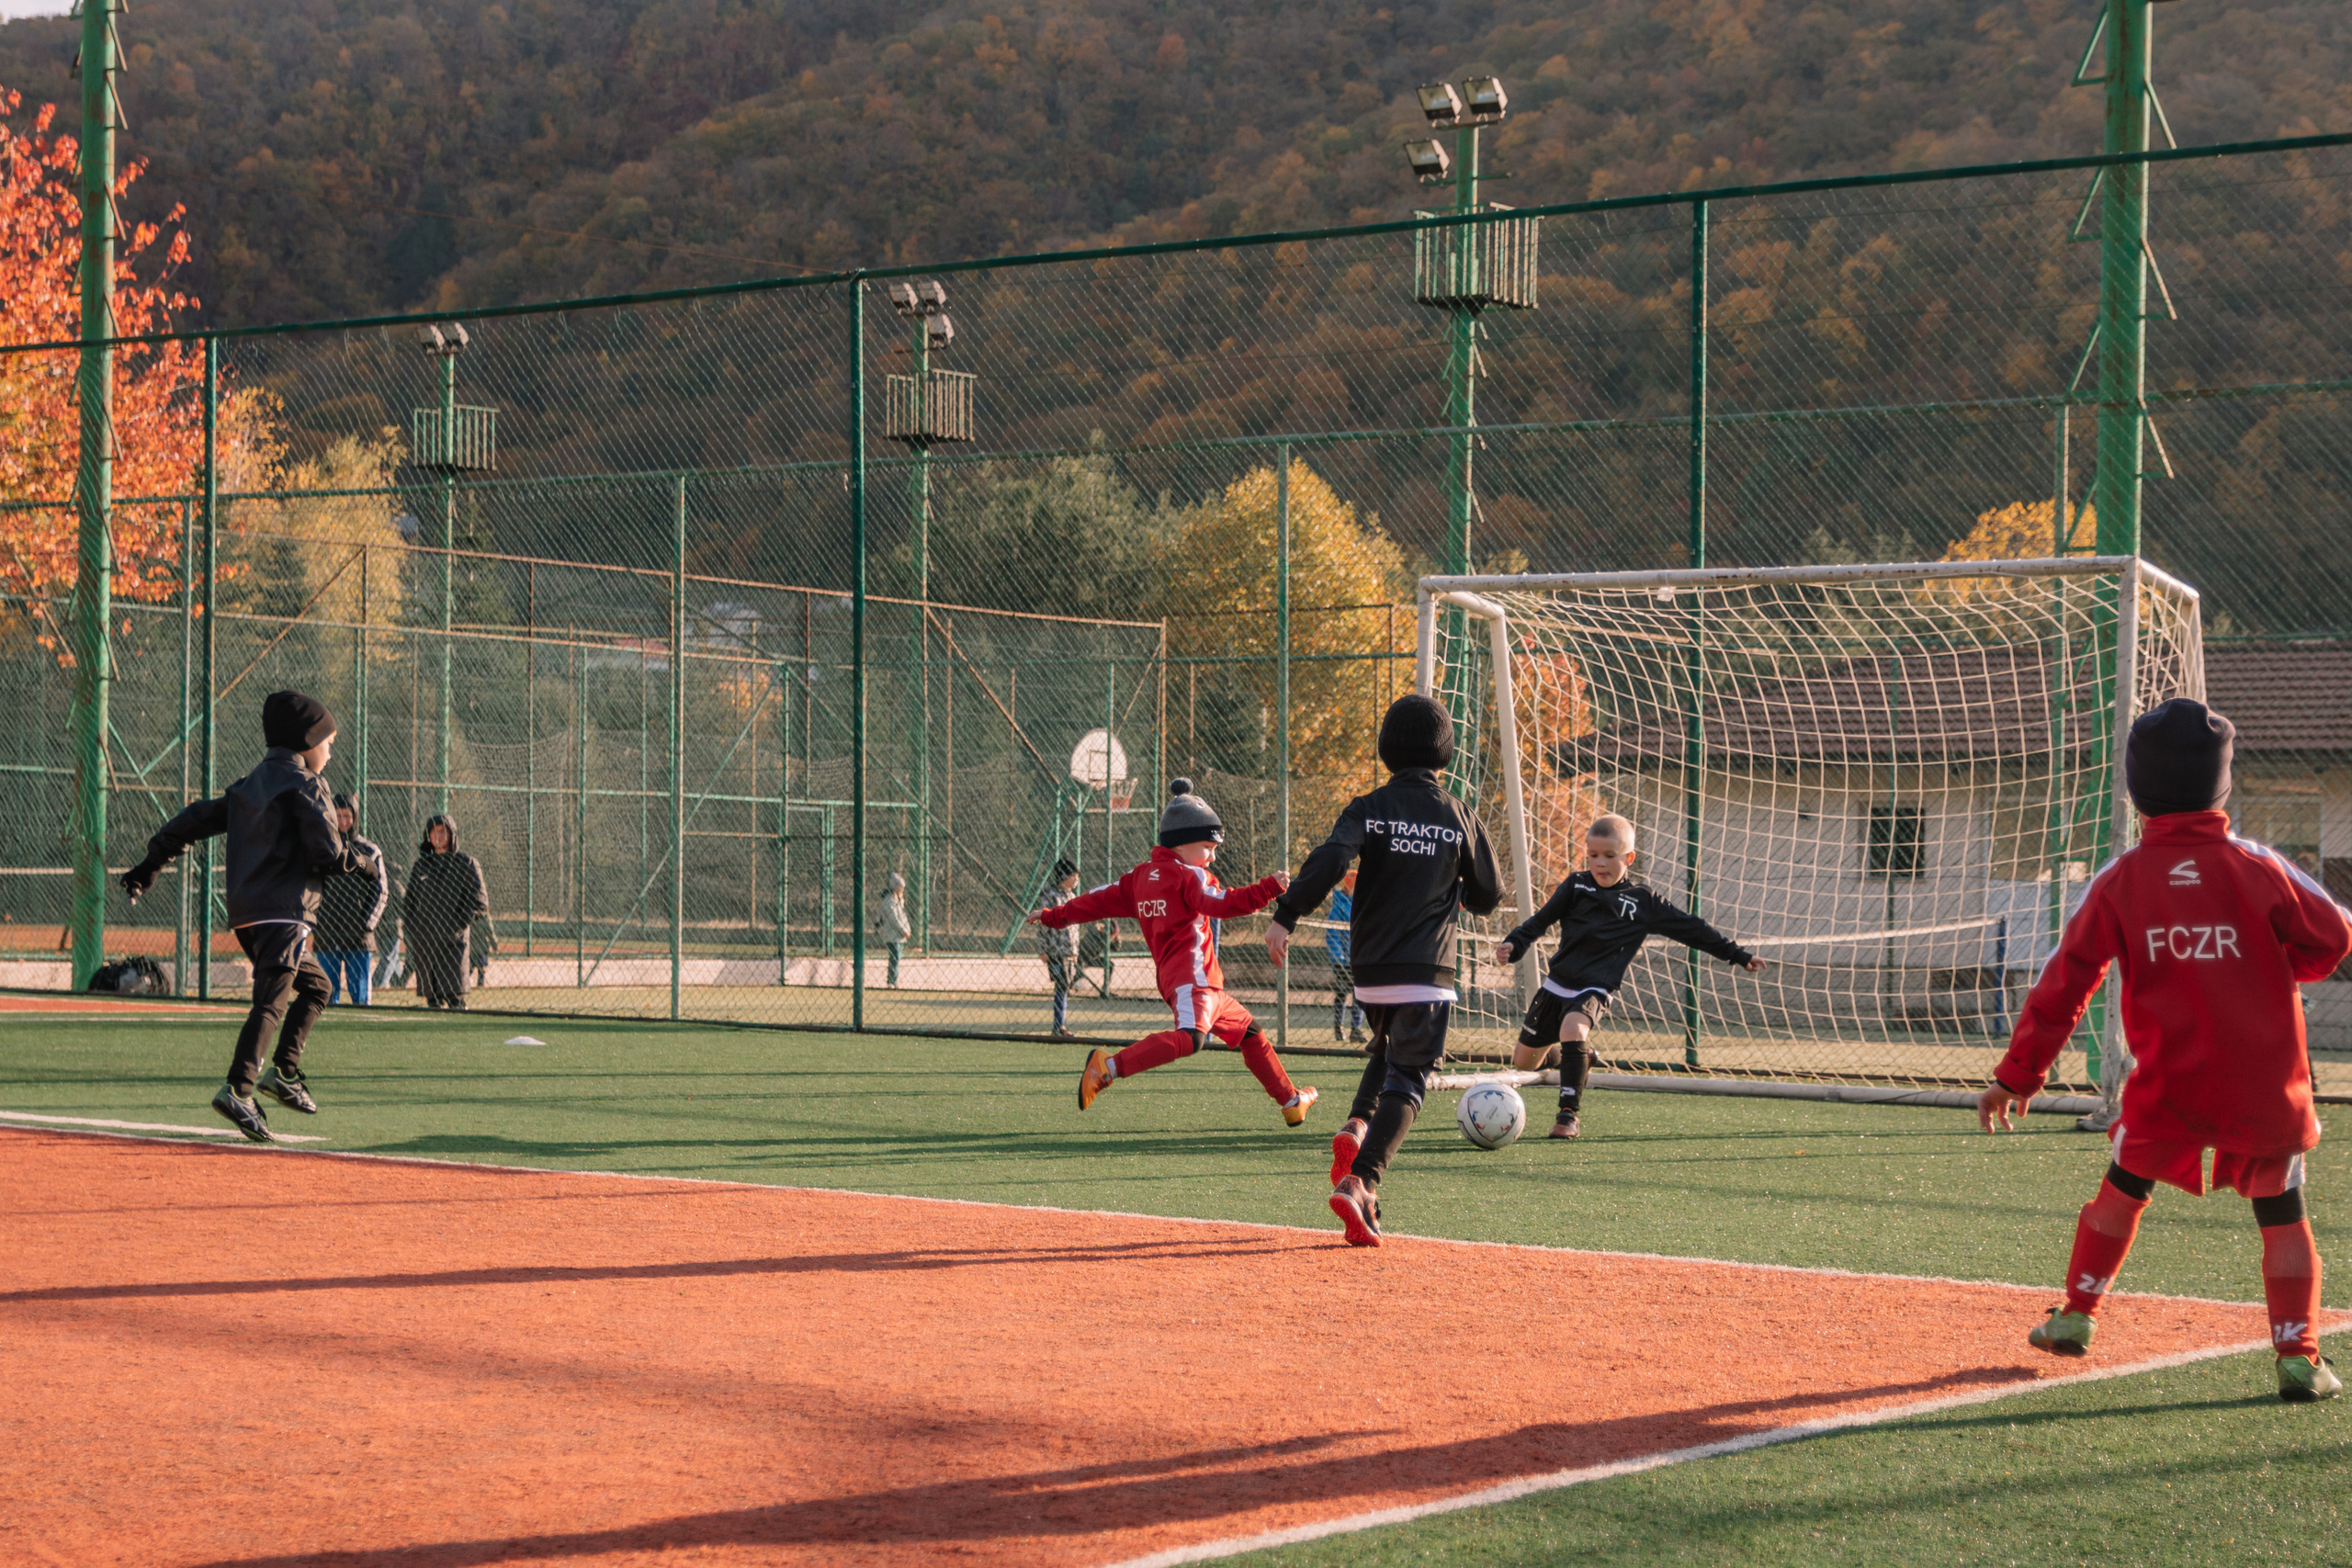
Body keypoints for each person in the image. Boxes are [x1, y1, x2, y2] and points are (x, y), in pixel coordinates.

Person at [1978, 698, 2352, 1403]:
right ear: (2223, 782)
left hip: (2168, 1084)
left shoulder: (2120, 880)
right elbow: (2333, 936)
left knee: (2121, 1188)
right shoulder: (2262, 866)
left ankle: (2075, 1317)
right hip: (2265, 1084)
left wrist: (2018, 1074)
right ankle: (2298, 1356)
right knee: (2282, 1208)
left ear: (2135, 786)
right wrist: (2274, 967)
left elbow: (2065, 981)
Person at [1268, 694, 1502, 1247]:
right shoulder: (1458, 813)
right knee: (1411, 1076)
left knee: (1389, 1047)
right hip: (1429, 969)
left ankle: (1356, 1122)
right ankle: (1363, 1182)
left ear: (1385, 751)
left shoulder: (1368, 805)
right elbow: (1489, 894)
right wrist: (1461, 890)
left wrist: (1286, 913)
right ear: (1446, 753)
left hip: (1368, 971)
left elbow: (1330, 859)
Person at [118, 690, 379, 1141]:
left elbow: (193, 819)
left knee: (318, 985)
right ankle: (239, 1089)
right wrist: (363, 862)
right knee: (272, 1002)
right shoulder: (306, 784)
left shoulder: (248, 785)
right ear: (306, 741)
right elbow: (327, 853)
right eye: (328, 741)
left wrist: (148, 866)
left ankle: (282, 1072)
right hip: (286, 913)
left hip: (247, 916)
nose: (330, 750)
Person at [1032, 779, 1316, 1126]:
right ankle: (1107, 1067)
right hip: (1193, 979)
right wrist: (1268, 888)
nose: (1212, 856)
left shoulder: (1138, 878)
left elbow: (1093, 901)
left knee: (1250, 1033)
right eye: (1208, 847)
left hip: (1196, 983)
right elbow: (1225, 903)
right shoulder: (1191, 877)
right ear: (1182, 844)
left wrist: (1051, 916)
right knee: (1191, 1039)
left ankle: (1290, 1100)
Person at [1498, 814, 1768, 1140]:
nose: (1600, 863)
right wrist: (1514, 944)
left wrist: (1737, 955)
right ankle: (1581, 1057)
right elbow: (1539, 922)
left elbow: (1692, 929)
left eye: (1609, 856)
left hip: (1595, 988)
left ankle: (1568, 1115)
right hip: (1556, 984)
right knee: (1524, 1062)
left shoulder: (1643, 901)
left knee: (1573, 1027)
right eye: (1594, 855)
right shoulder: (1575, 885)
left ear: (1628, 858)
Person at [405, 813, 492, 1010]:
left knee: (455, 998)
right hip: (426, 941)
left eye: (443, 831)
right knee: (432, 1000)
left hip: (454, 941)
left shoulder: (466, 864)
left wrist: (458, 925)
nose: (438, 836)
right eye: (434, 832)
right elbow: (409, 903)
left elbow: (480, 902)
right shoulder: (421, 866)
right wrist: (415, 929)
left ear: (452, 834)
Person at [313, 792, 390, 1006]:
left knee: (361, 1000)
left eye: (347, 816)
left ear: (355, 817)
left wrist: (366, 924)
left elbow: (381, 891)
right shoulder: (321, 848)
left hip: (358, 937)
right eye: (337, 816)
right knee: (325, 999)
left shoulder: (370, 851)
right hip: (326, 934)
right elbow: (309, 887)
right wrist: (315, 921)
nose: (343, 821)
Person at [1035, 858, 1081, 1039]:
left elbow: (1075, 928)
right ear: (1063, 877)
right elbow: (1042, 924)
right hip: (1055, 951)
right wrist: (1043, 949)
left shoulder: (1072, 897)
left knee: (1065, 985)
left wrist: (1076, 950)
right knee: (1061, 985)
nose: (1076, 880)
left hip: (1069, 951)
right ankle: (1058, 1026)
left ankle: (1060, 1024)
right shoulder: (1051, 897)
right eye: (1073, 877)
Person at [1325, 868, 1364, 1043]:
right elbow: (1333, 936)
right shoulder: (1338, 909)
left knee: (1360, 995)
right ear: (1349, 888)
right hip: (1342, 961)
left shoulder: (1362, 907)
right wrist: (1338, 958)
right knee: (1342, 993)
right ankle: (1338, 1028)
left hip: (1359, 960)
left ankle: (1356, 1029)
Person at [874, 871, 911, 987]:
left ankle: (893, 980)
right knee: (894, 957)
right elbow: (894, 919)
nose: (903, 890)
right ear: (896, 887)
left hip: (897, 935)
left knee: (896, 957)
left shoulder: (897, 900)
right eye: (901, 887)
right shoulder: (890, 901)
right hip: (893, 934)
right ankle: (891, 981)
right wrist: (904, 931)